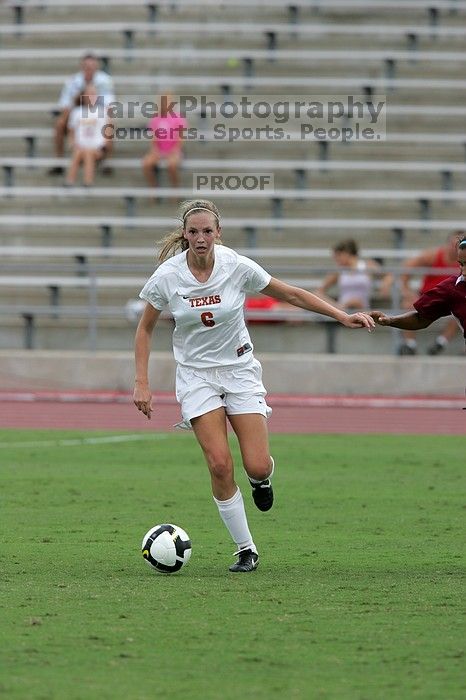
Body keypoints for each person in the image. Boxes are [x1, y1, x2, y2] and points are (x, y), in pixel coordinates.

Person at [133, 199, 375, 573]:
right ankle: (246, 549)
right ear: (185, 234)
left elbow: (290, 293)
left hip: (240, 370)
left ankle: (261, 481)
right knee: (218, 465)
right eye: (193, 231)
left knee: (257, 465)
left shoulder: (236, 265)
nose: (200, 238)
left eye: (207, 231)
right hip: (197, 377)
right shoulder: (167, 276)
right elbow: (145, 328)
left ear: (218, 233)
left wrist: (342, 316)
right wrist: (142, 382)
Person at [370, 236, 466, 350]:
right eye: (461, 264)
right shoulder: (452, 288)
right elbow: (421, 318)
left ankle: (442, 341)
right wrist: (390, 320)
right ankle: (410, 345)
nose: (463, 271)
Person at [396, 232, 462, 356]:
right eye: (453, 245)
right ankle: (410, 344)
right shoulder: (434, 255)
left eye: (458, 246)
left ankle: (441, 342)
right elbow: (408, 267)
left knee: (462, 308)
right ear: (447, 244)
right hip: (428, 297)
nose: (455, 249)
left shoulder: (463, 262)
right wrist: (406, 290)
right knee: (407, 303)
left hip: (451, 301)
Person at [49, 53, 115, 176]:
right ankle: (59, 161)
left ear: (96, 67)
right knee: (60, 123)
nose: (89, 69)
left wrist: (94, 116)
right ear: (82, 66)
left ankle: (106, 161)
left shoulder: (105, 81)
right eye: (86, 66)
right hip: (77, 113)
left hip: (97, 114)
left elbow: (109, 105)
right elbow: (65, 104)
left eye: (92, 66)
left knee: (109, 123)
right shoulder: (72, 81)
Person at [315, 238, 390, 311]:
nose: (336, 260)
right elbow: (318, 292)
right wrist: (336, 306)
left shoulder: (367, 265)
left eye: (338, 256)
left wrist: (385, 284)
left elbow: (390, 274)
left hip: (363, 310)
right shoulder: (338, 271)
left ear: (346, 253)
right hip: (344, 312)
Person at [65, 86, 112, 187]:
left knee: (88, 152)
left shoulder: (102, 112)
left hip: (97, 149)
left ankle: (88, 181)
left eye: (93, 94)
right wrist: (73, 144)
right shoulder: (76, 112)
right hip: (80, 147)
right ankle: (70, 181)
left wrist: (104, 147)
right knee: (79, 152)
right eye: (89, 94)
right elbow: (71, 132)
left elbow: (107, 134)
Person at [142, 94, 187, 189]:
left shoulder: (178, 118)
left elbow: (181, 138)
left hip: (174, 151)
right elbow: (153, 138)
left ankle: (175, 189)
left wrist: (174, 150)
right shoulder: (156, 119)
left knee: (172, 165)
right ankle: (153, 189)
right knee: (146, 164)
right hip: (159, 151)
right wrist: (155, 150)